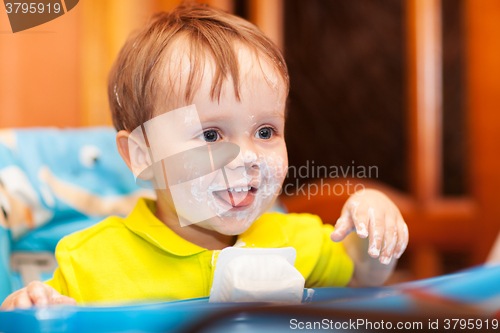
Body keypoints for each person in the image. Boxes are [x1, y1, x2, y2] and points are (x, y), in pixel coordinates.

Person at [1, 2, 408, 309]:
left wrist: (374, 232)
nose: (247, 156)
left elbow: (363, 281)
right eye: (211, 134)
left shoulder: (292, 238)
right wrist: (31, 308)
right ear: (142, 154)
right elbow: (33, 317)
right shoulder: (91, 262)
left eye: (265, 131)